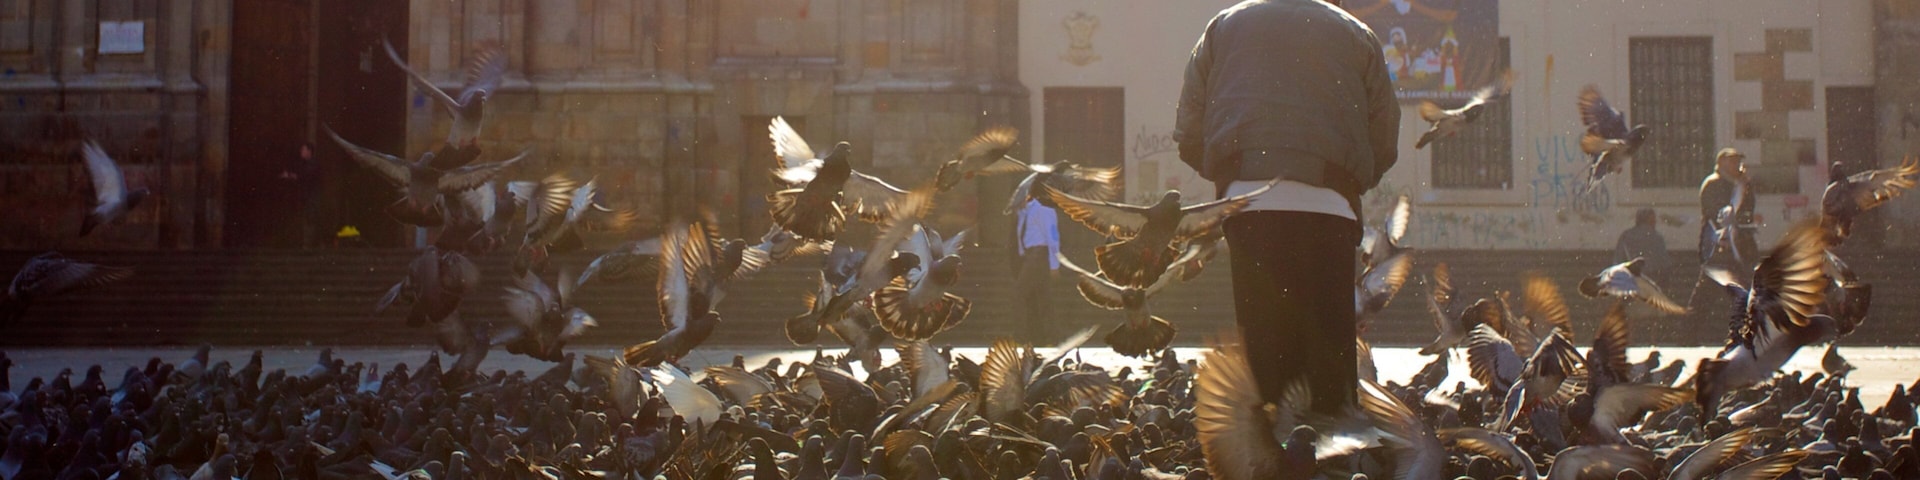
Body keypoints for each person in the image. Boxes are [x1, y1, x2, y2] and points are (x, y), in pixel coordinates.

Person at [1174, 0, 1399, 414]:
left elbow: (1189, 130)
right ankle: (1332, 454)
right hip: (1330, 205)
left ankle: (1269, 452)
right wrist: (1351, 179)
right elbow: (1384, 136)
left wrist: (1231, 172)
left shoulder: (1223, 25)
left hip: (1250, 205)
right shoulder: (1355, 32)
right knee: (1330, 349)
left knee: (1265, 344)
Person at [1690, 148, 1757, 308]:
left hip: (1740, 245)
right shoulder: (1713, 183)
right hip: (1718, 245)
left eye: (1738, 161)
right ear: (1721, 163)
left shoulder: (1740, 185)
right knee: (1708, 289)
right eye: (1732, 160)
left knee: (1746, 287)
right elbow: (1716, 213)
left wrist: (1745, 186)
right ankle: (1690, 326)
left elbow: (1748, 209)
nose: (1736, 164)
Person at [1013, 197, 1061, 338]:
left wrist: (1054, 264)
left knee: (1019, 294)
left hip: (1039, 255)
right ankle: (1051, 335)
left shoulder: (1043, 208)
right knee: (1043, 297)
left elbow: (1052, 236)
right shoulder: (1025, 211)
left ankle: (1020, 335)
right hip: (1030, 256)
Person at [1613, 208, 1671, 285]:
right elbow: (1663, 263)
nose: (1655, 222)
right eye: (1653, 220)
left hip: (1631, 280)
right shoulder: (1656, 237)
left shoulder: (1626, 235)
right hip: (1652, 281)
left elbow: (1618, 260)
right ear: (1650, 220)